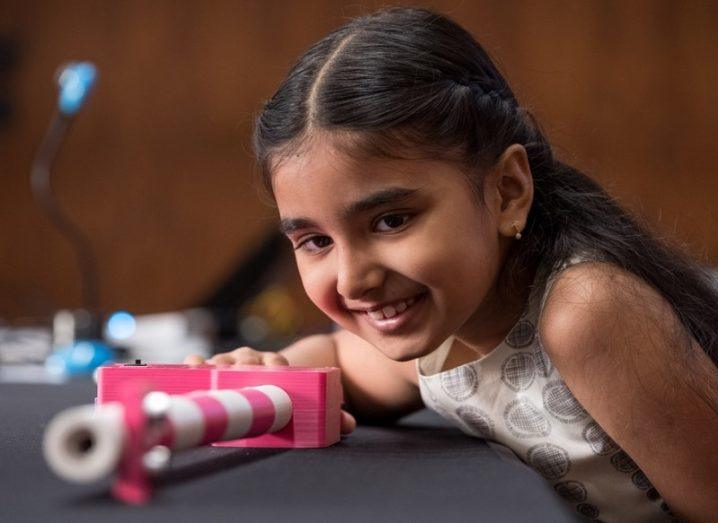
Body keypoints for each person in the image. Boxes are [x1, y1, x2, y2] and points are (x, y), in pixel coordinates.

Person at [186, 7, 718, 521]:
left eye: (392, 221)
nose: (353, 279)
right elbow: (342, 362)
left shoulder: (587, 312)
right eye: (316, 241)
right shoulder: (445, 319)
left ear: (507, 191)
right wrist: (274, 376)